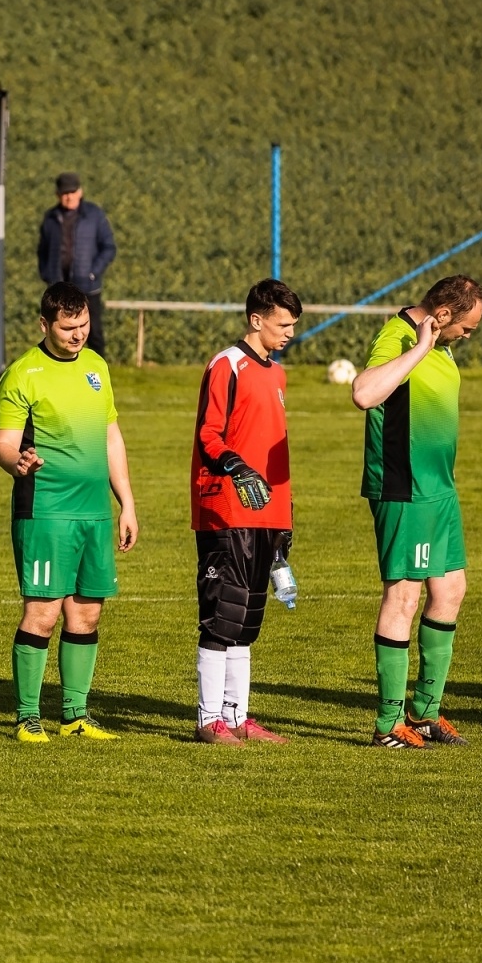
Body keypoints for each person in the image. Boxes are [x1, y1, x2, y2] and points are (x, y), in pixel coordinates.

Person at [0, 281, 138, 742]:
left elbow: (111, 436)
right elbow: (3, 442)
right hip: (46, 510)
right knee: (43, 612)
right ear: (45, 324)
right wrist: (15, 461)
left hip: (94, 513)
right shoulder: (23, 374)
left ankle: (75, 715)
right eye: (68, 327)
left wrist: (127, 502)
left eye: (84, 325)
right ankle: (27, 715)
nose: (79, 335)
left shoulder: (97, 366)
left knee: (87, 614)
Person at [351, 274, 482, 749]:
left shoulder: (439, 342)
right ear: (443, 314)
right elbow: (364, 394)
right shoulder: (400, 336)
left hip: (439, 491)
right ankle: (387, 725)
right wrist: (422, 347)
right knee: (404, 596)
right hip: (405, 488)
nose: (467, 336)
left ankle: (425, 713)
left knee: (450, 589)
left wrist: (436, 345)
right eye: (465, 328)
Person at [189, 279, 302, 746]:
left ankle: (237, 718)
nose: (289, 332)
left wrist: (285, 517)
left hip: (267, 514)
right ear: (256, 320)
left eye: (294, 325)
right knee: (222, 615)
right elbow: (209, 434)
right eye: (282, 324)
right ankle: (208, 720)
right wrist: (236, 466)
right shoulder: (226, 365)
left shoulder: (276, 374)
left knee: (248, 618)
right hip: (227, 508)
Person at [37, 172, 116, 357]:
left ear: (80, 192)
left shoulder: (94, 215)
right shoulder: (51, 218)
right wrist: (47, 274)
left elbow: (109, 247)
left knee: (94, 332)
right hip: (58, 287)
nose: (69, 196)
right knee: (58, 331)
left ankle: (98, 373)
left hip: (88, 286)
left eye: (72, 192)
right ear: (57, 195)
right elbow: (42, 250)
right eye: (64, 193)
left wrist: (93, 273)